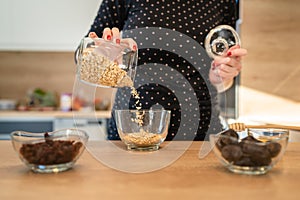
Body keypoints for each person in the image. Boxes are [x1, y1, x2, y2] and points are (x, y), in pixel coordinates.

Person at [78, 0, 247, 141]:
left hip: (199, 132)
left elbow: (223, 78)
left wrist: (221, 76)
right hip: (132, 132)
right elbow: (83, 59)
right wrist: (101, 56)